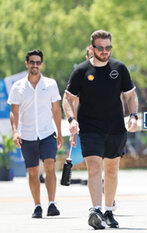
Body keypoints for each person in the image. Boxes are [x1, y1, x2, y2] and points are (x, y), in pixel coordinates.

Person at [63, 30, 138, 230]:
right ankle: (95, 210)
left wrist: (133, 115)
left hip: (115, 127)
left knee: (112, 170)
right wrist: (71, 119)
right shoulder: (81, 70)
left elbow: (130, 96)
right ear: (93, 48)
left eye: (108, 47)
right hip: (90, 127)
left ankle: (108, 211)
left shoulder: (120, 68)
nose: (105, 51)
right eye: (101, 48)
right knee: (94, 167)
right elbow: (67, 99)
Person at [8, 49, 63, 218]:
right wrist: (15, 132)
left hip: (47, 133)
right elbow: (14, 112)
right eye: (32, 62)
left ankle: (52, 203)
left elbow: (56, 110)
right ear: (27, 64)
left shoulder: (50, 84)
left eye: (38, 62)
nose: (35, 65)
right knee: (32, 172)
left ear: (41, 64)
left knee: (50, 166)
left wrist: (60, 133)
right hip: (27, 135)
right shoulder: (18, 87)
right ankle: (37, 206)